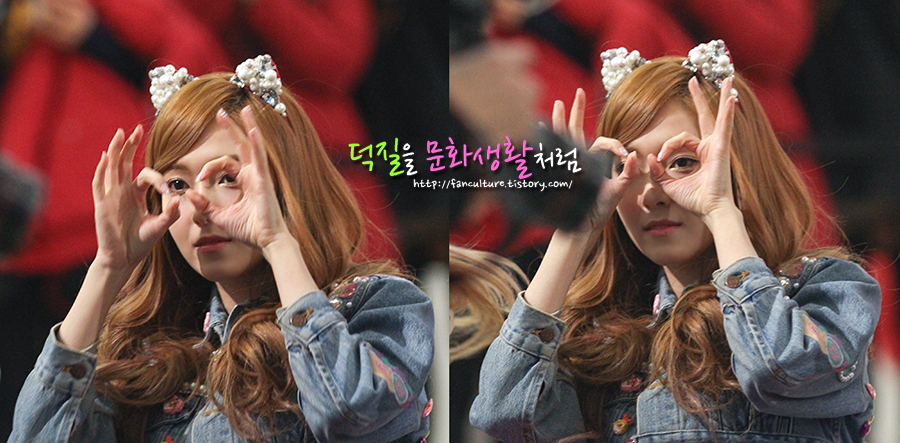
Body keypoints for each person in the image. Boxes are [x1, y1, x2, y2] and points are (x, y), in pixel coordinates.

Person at [470, 41, 881, 442]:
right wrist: (573, 223)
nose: (652, 194)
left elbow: (782, 369)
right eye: (623, 168)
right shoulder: (605, 336)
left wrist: (720, 208)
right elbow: (502, 414)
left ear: (739, 165)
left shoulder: (826, 290)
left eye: (683, 163)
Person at [9, 55, 434, 443]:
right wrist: (107, 267)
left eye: (227, 177)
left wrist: (277, 241)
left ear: (286, 181)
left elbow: (353, 416)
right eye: (177, 184)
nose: (199, 205)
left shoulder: (375, 306)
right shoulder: (150, 355)